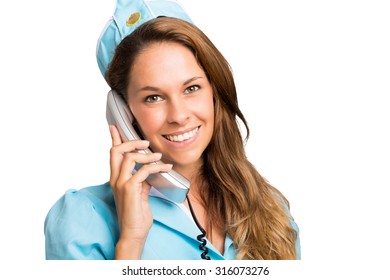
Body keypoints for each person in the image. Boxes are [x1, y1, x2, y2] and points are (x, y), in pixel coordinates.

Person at [44, 0, 300, 260]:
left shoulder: (271, 210)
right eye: (153, 97)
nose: (178, 116)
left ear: (214, 90)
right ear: (123, 112)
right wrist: (131, 239)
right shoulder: (81, 218)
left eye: (191, 88)